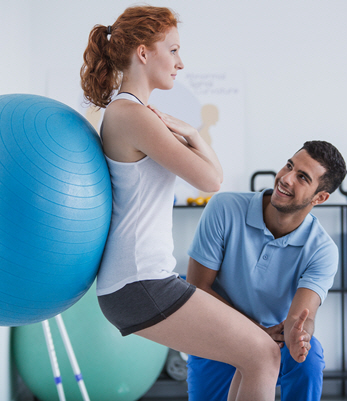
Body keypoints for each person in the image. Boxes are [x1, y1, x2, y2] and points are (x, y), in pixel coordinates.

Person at [80, 5, 280, 400]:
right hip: (139, 281)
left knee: (256, 355)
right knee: (263, 355)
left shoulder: (133, 113)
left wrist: (189, 130)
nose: (180, 62)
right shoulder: (129, 114)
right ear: (143, 52)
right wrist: (192, 134)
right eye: (172, 50)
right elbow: (211, 179)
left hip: (139, 279)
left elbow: (210, 177)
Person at [186, 140, 347, 401]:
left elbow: (301, 316)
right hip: (216, 334)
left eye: (302, 177)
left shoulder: (323, 250)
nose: (286, 178)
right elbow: (197, 288)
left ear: (320, 197)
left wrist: (299, 335)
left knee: (309, 357)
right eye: (289, 166)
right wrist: (254, 332)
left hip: (275, 341)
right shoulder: (224, 208)